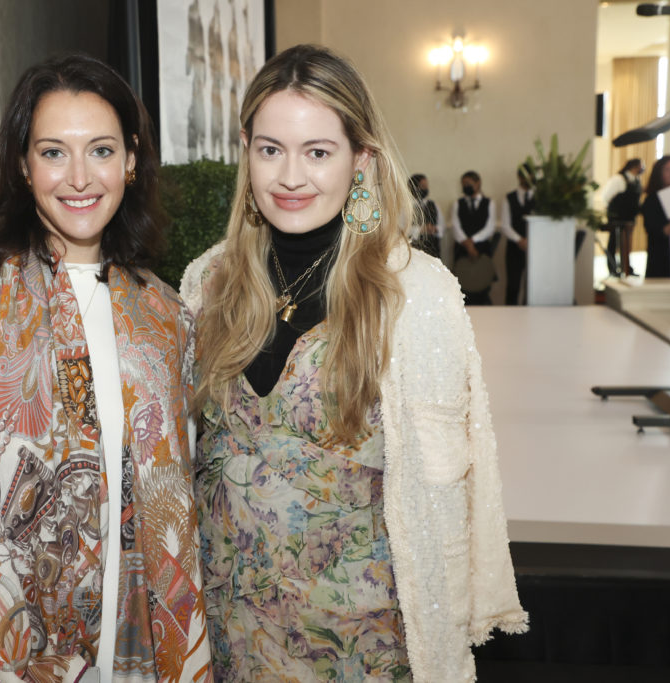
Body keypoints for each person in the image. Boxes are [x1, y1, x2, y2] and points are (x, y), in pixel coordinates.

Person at [180, 44, 526, 682]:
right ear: (246, 149)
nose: (290, 176)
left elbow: (447, 490)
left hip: (362, 645)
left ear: (360, 158)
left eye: (317, 152)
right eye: (270, 149)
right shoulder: (208, 281)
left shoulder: (412, 294)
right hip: (230, 634)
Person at [0, 54, 211, 681]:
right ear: (22, 166)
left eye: (100, 150)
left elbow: (176, 497)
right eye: (53, 153)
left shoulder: (166, 313)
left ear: (131, 161)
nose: (79, 177)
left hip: (141, 635)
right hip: (8, 647)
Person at [450, 170, 497, 305]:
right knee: (463, 284)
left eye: (469, 184)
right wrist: (467, 243)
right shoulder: (457, 204)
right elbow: (456, 226)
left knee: (483, 282)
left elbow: (490, 227)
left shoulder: (489, 203)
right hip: (462, 247)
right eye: (463, 184)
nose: (466, 187)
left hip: (481, 248)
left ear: (478, 183)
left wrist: (473, 241)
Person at [601, 158, 645, 277]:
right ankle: (612, 268)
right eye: (641, 166)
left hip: (629, 218)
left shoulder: (636, 180)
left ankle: (626, 268)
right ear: (634, 166)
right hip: (617, 217)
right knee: (614, 243)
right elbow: (606, 196)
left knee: (626, 244)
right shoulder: (619, 179)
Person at [500, 168, 535, 305]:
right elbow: (505, 225)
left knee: (533, 285)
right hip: (514, 247)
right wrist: (519, 240)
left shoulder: (540, 197)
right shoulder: (509, 198)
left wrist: (531, 241)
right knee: (513, 285)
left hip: (535, 248)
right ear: (520, 177)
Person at [641, 155, 670, 279]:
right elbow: (656, 231)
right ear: (659, 173)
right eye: (667, 170)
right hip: (661, 257)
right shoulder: (652, 200)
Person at [409, 173, 444, 258]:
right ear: (414, 187)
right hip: (414, 248)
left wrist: (434, 229)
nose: (425, 188)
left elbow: (442, 225)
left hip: (433, 248)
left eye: (426, 186)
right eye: (422, 186)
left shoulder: (433, 204)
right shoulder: (406, 206)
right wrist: (421, 229)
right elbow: (401, 229)